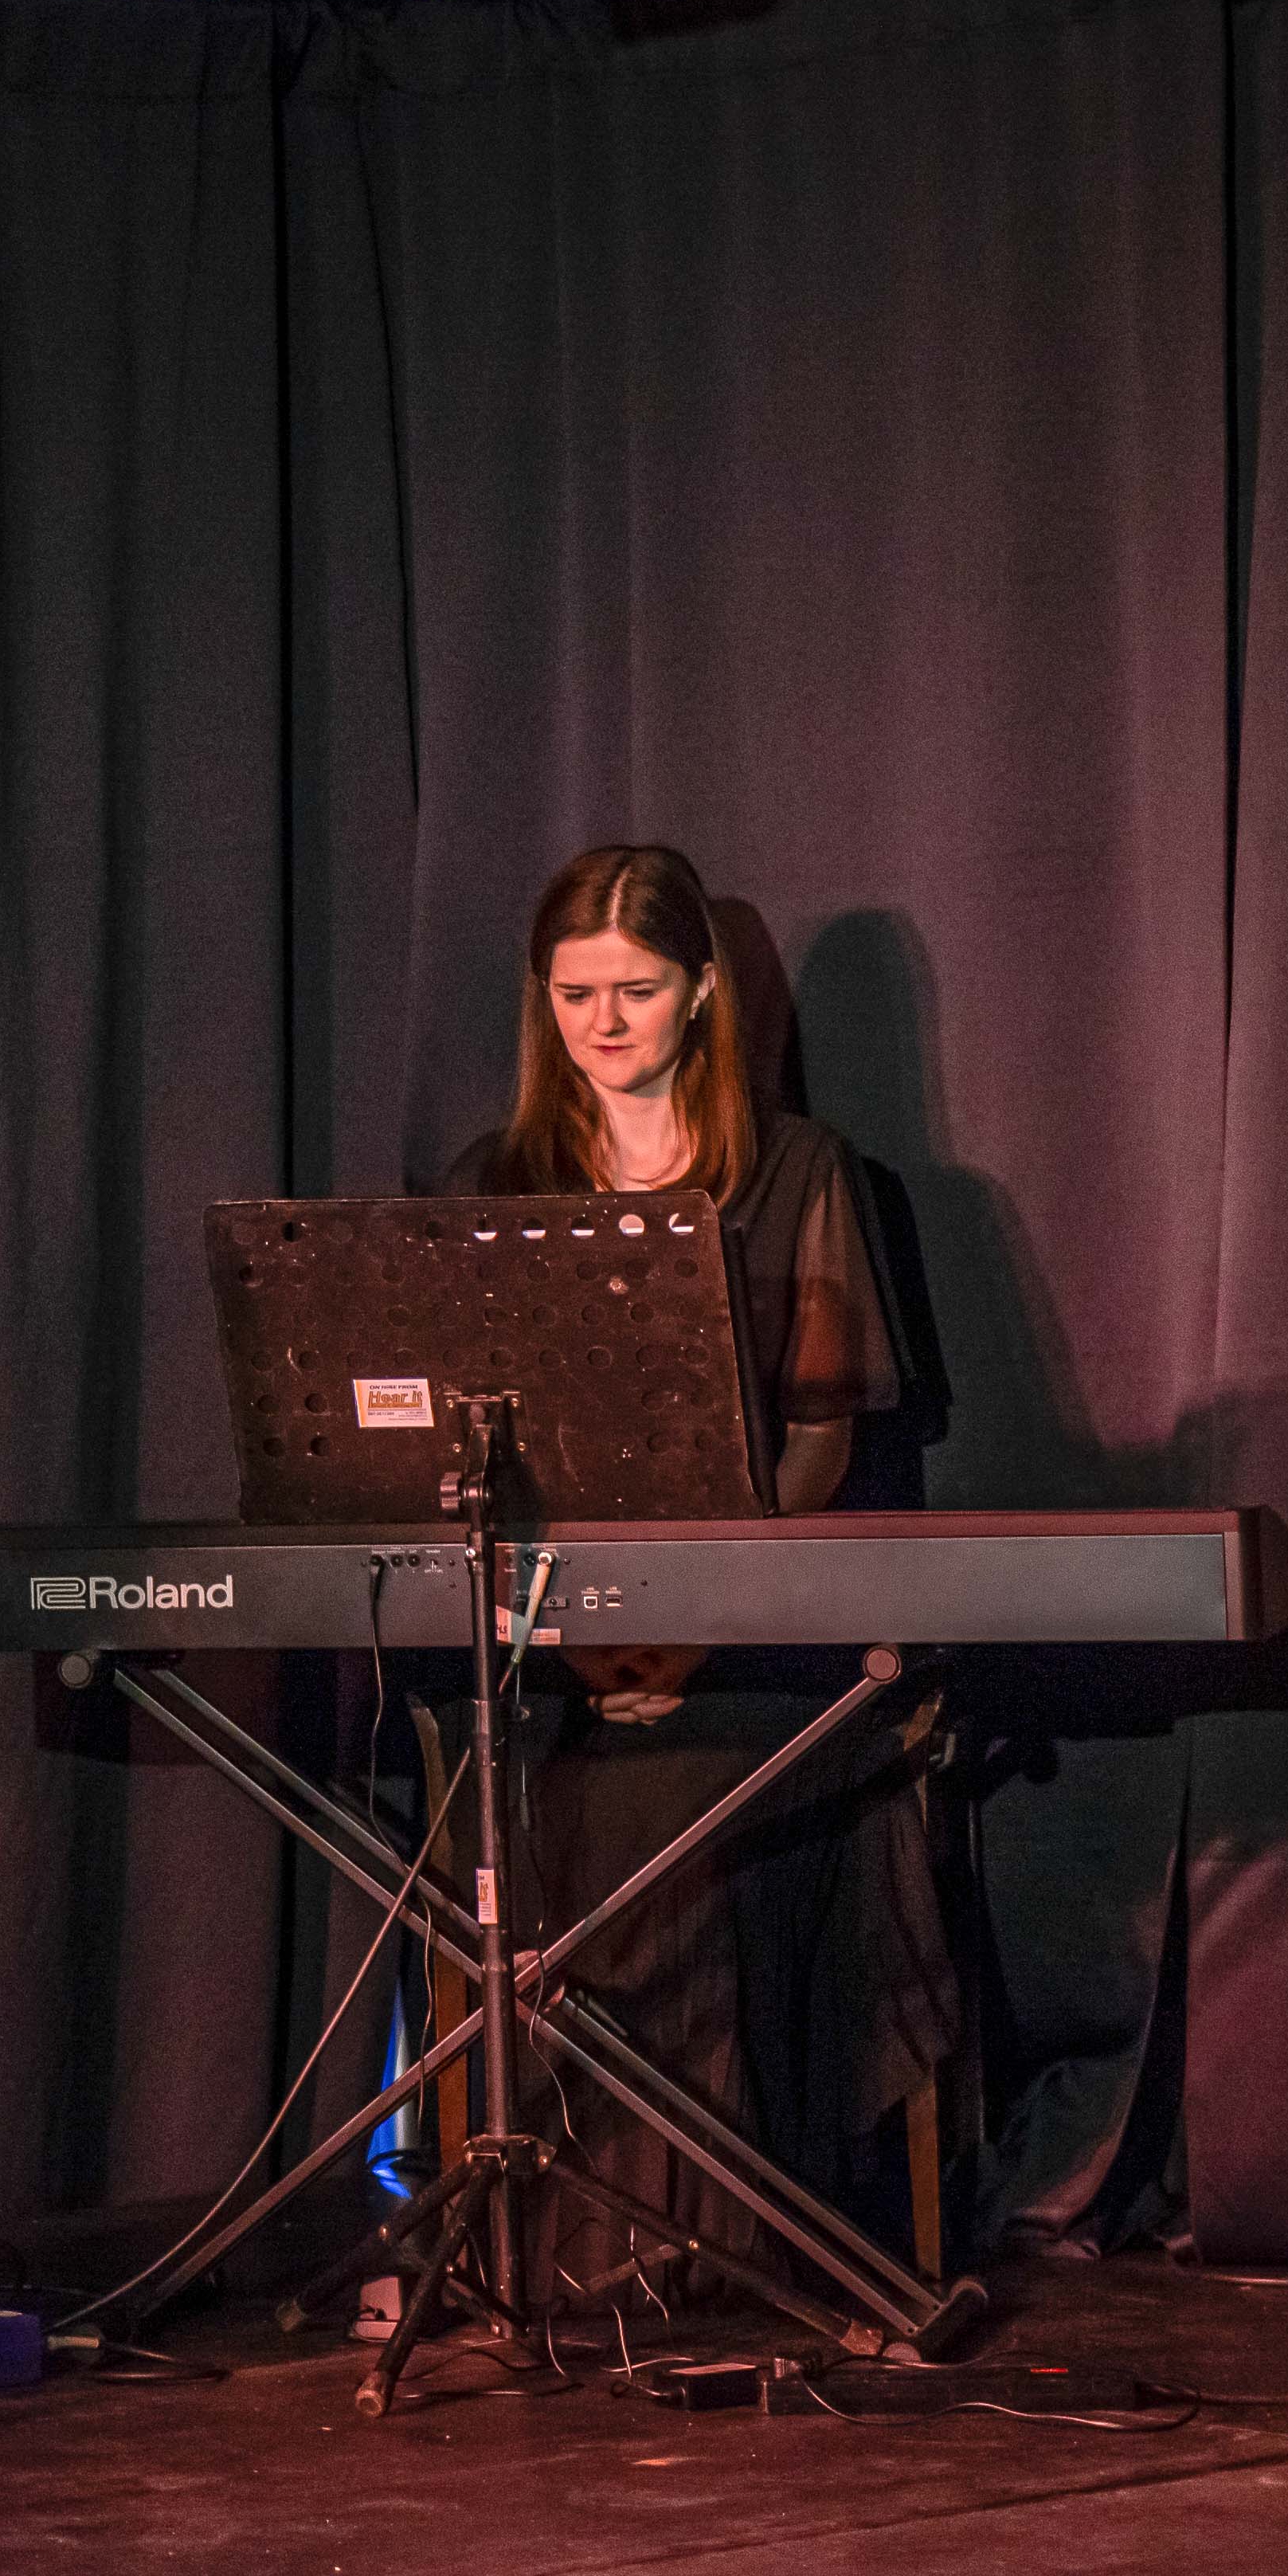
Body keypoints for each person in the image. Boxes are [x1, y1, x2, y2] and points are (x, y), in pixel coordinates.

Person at [437, 843, 948, 2289]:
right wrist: (583, 1641)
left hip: (753, 1635)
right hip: (548, 1644)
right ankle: (534, 2242)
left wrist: (693, 1630)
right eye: (574, 994)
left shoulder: (795, 1173)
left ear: (702, 994)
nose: (602, 1023)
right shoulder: (498, 1181)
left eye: (636, 990)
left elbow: (820, 1443)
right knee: (501, 1810)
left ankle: (682, 2247)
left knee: (656, 1808)